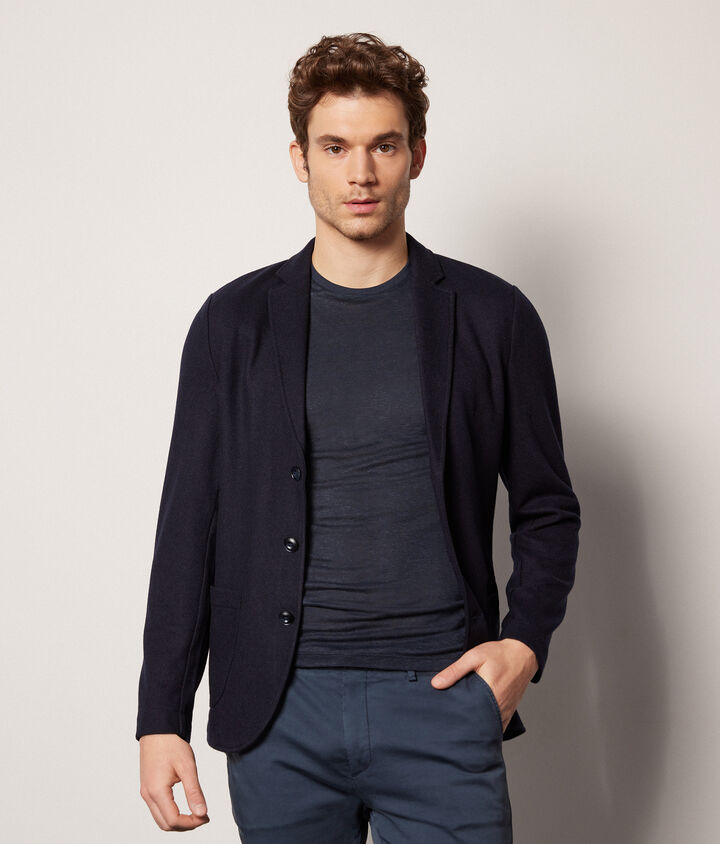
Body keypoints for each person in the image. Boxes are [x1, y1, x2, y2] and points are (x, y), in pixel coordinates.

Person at [136, 31, 581, 843]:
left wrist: (523, 645)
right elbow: (188, 527)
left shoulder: (494, 316)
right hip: (280, 710)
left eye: (383, 145)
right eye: (335, 147)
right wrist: (160, 717)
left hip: (443, 698)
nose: (361, 173)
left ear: (417, 155)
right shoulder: (233, 324)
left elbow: (547, 506)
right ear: (300, 159)